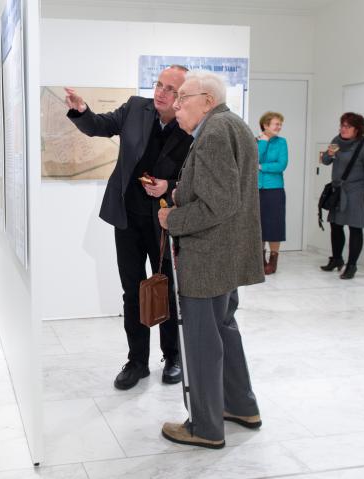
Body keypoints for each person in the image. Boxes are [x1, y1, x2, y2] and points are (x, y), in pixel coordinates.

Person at [65, 65, 194, 390]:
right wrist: (81, 110)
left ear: (183, 97)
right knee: (133, 291)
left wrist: (169, 185)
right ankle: (137, 361)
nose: (162, 93)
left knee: (166, 289)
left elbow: (197, 176)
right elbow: (100, 125)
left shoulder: (190, 123)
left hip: (166, 220)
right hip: (128, 218)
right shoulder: (137, 108)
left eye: (171, 90)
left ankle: (173, 357)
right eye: (159, 85)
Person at [158, 70, 264, 449]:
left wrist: (174, 218)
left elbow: (220, 202)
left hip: (207, 258)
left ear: (207, 99)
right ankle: (240, 406)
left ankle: (204, 427)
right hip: (226, 255)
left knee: (202, 340)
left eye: (183, 97)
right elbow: (226, 192)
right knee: (224, 330)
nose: (175, 104)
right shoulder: (233, 126)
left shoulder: (215, 133)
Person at [320, 113, 364, 279]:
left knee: (355, 227)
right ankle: (337, 259)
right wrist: (329, 154)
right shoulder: (336, 140)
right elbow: (325, 161)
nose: (343, 129)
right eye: (342, 125)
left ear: (357, 129)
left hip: (356, 191)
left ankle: (352, 265)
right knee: (335, 225)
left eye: (347, 126)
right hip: (338, 190)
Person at [257, 111, 288, 274]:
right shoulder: (257, 141)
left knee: (275, 225)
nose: (279, 127)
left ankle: (273, 259)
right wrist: (264, 142)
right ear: (265, 125)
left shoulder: (282, 142)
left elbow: (281, 165)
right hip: (257, 189)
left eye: (280, 124)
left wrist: (262, 167)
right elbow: (254, 158)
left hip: (275, 189)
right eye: (276, 124)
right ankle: (260, 259)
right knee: (259, 225)